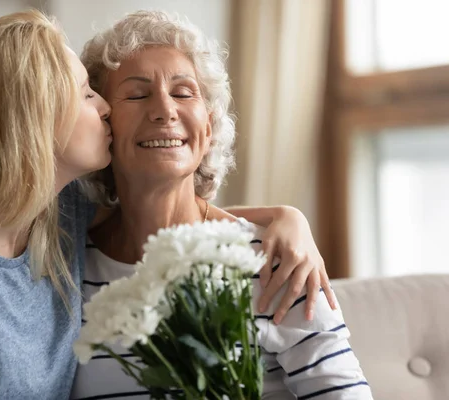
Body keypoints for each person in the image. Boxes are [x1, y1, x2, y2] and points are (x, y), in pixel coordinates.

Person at [0, 9, 330, 400]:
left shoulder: (58, 222)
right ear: (33, 116)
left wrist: (286, 218)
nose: (103, 108)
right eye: (85, 93)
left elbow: (163, 214)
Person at [71, 11, 373, 400]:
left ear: (208, 126)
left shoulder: (273, 259)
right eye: (137, 94)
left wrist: (287, 216)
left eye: (183, 93)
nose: (165, 110)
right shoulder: (68, 268)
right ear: (103, 123)